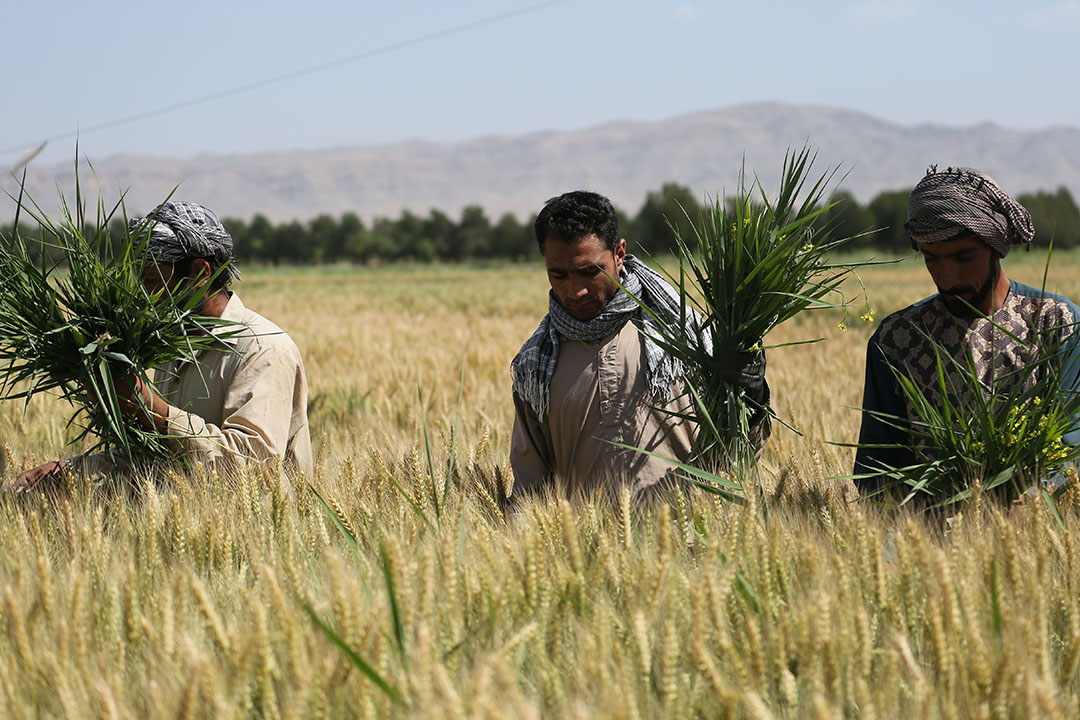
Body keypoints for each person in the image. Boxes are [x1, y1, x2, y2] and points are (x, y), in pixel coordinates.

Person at [11, 201, 313, 491]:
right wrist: (73, 470)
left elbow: (253, 468)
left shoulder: (263, 349)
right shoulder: (173, 347)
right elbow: (160, 457)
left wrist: (153, 410)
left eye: (153, 280)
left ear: (200, 272)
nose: (144, 295)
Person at [509, 190, 770, 503]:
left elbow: (738, 455)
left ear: (619, 253)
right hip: (584, 548)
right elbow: (530, 491)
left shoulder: (688, 337)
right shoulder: (535, 367)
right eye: (558, 274)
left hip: (693, 544)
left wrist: (753, 398)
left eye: (590, 271)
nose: (575, 290)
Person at [853, 166, 1080, 498]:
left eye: (964, 257)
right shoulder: (896, 340)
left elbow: (1073, 447)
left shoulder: (1057, 324)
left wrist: (1029, 504)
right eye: (932, 259)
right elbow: (878, 472)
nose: (947, 278)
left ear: (996, 247)